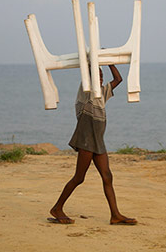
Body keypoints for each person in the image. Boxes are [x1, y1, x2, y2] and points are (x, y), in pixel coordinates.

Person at [49, 64, 137, 225]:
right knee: (79, 177)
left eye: (101, 75)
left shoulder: (102, 93)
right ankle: (57, 208)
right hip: (86, 138)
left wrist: (109, 62)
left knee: (107, 176)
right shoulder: (86, 92)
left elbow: (119, 79)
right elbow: (87, 76)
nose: (101, 78)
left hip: (98, 140)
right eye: (97, 75)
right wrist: (92, 60)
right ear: (88, 78)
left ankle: (115, 215)